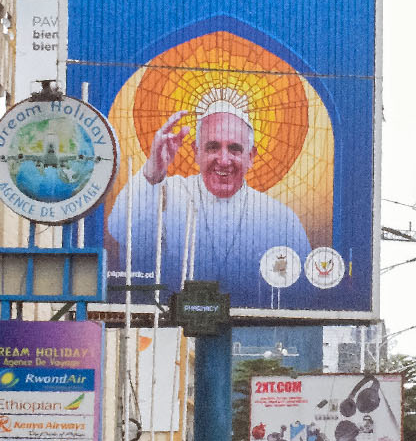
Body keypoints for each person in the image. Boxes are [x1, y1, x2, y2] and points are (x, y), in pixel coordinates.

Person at [107, 98, 310, 308]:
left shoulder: (279, 218)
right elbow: (120, 230)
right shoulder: (169, 192)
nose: (223, 160)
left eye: (234, 149)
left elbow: (303, 291)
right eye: (213, 147)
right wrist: (152, 172)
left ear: (251, 157)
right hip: (170, 329)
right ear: (196, 151)